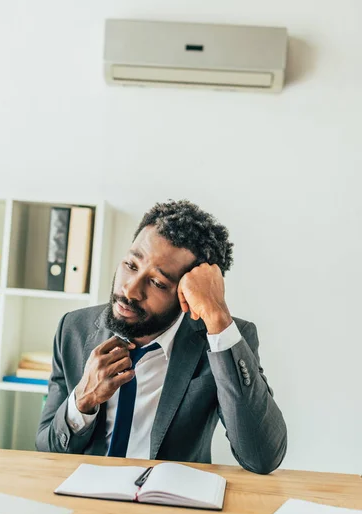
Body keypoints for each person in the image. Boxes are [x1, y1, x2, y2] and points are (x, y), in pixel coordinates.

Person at [36, 200, 287, 474]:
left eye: (157, 283)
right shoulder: (74, 328)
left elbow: (263, 458)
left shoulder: (219, 339)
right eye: (131, 265)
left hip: (169, 505)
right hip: (86, 498)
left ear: (187, 294)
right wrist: (82, 400)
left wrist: (218, 318)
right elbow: (48, 450)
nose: (130, 290)